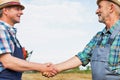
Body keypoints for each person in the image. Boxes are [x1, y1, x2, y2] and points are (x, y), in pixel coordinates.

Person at [43, 0, 120, 80]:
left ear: (111, 8)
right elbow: (83, 57)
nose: (96, 11)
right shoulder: (98, 36)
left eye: (100, 7)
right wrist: (55, 68)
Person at [0, 0, 57, 80]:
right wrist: (42, 67)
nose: (21, 12)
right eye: (17, 9)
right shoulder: (1, 29)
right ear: (5, 10)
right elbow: (8, 62)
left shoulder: (10, 33)